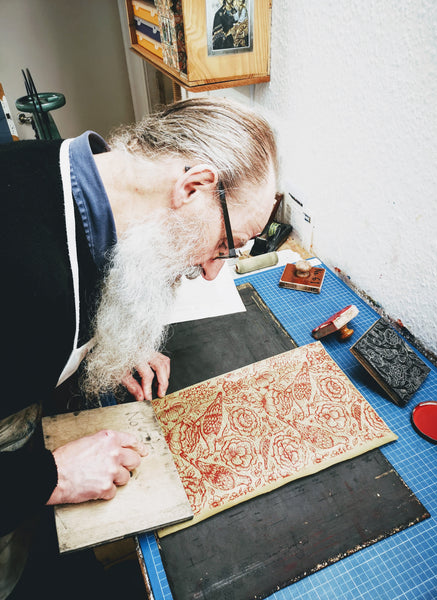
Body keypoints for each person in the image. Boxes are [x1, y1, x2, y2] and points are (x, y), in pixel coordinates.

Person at [0, 96, 278, 599]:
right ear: (193, 187)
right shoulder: (25, 275)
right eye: (227, 244)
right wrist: (50, 478)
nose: (215, 270)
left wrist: (105, 339)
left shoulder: (55, 170)